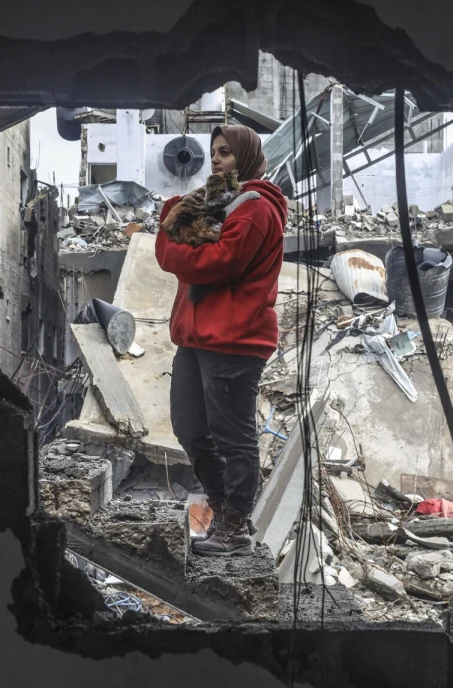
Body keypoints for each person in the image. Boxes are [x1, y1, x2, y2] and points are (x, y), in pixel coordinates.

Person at [154, 124, 287, 557]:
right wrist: (178, 224)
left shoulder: (255, 207)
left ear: (245, 158)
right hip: (197, 337)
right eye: (214, 153)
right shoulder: (221, 203)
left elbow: (217, 261)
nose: (216, 160)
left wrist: (173, 249)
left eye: (226, 153)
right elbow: (176, 229)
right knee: (190, 426)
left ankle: (235, 526)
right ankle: (221, 508)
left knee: (233, 437)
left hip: (234, 340)